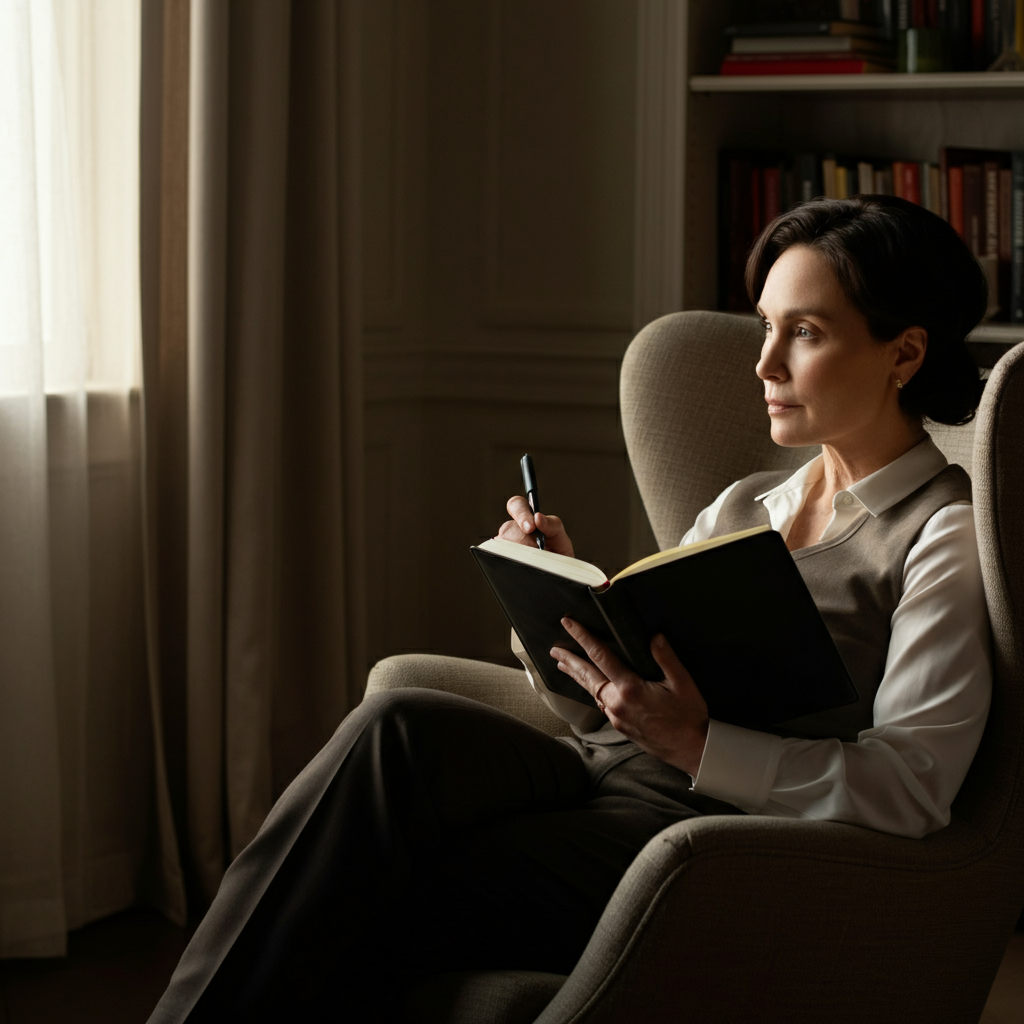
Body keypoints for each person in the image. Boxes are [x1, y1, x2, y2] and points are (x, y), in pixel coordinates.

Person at [147, 195, 992, 1024]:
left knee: (360, 890)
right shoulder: (750, 503)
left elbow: (915, 788)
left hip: (710, 834)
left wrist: (698, 744)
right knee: (396, 725)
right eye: (765, 326)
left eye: (803, 332)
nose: (765, 363)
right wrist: (553, 607)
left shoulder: (940, 534)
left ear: (903, 353)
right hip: (599, 770)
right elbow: (601, 704)